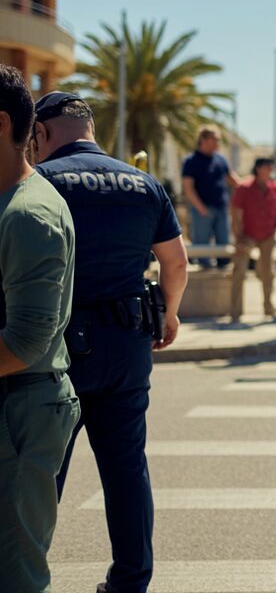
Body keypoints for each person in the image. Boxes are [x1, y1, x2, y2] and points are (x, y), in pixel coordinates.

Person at [32, 90, 188, 593]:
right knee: (125, 471)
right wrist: (170, 313)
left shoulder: (39, 182)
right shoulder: (144, 184)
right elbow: (176, 262)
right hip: (127, 346)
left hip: (56, 350)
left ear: (40, 132)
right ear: (90, 129)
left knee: (41, 470)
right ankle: (130, 581)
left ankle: (27, 573)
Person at [0, 65, 80, 593]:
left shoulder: (30, 214)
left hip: (21, 409)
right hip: (17, 402)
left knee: (17, 575)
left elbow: (26, 341)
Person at [230, 157, 276, 322]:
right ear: (258, 168)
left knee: (268, 273)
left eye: (271, 167)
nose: (270, 170)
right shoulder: (244, 187)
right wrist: (238, 237)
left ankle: (268, 307)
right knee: (239, 271)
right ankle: (235, 312)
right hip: (246, 235)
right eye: (267, 166)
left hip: (268, 236)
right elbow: (235, 212)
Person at [181, 126, 239, 268]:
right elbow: (188, 188)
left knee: (224, 243)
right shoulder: (191, 161)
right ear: (203, 140)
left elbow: (234, 180)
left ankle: (222, 269)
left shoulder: (221, 159)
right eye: (215, 139)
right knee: (201, 247)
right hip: (202, 210)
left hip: (221, 209)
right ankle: (205, 271)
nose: (218, 142)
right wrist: (201, 208)